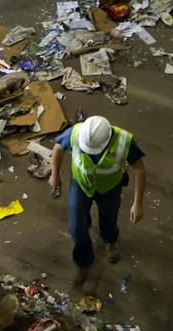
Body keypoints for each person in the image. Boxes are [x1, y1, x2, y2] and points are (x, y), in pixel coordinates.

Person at [48, 115, 147, 285]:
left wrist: (137, 203)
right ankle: (83, 262)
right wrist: (54, 175)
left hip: (109, 188)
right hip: (81, 184)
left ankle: (110, 240)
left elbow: (139, 169)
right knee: (76, 227)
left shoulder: (123, 141)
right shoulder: (76, 133)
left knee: (109, 217)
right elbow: (58, 148)